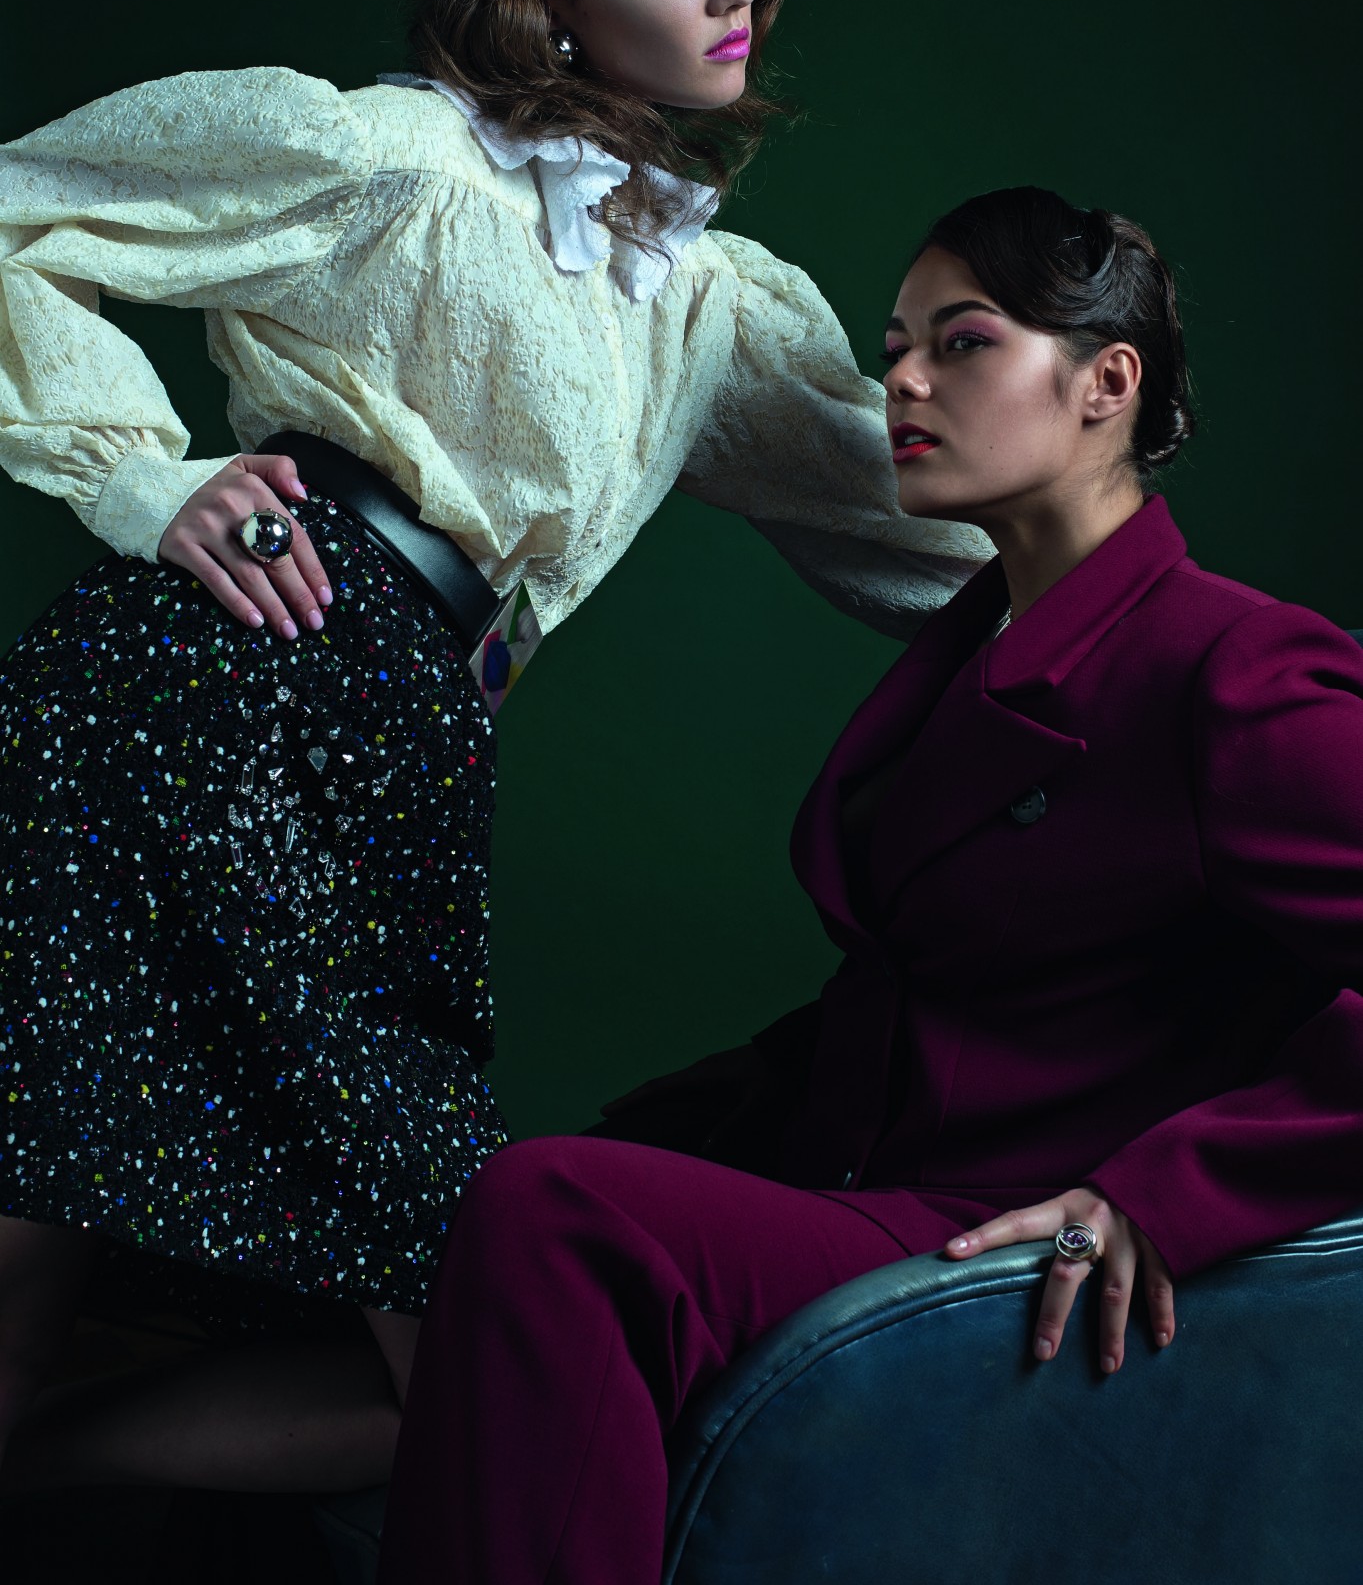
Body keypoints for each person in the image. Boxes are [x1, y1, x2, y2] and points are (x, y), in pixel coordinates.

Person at [0, 0, 989, 1491]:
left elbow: (930, 536)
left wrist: (1202, 658)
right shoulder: (392, 159)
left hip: (390, 752)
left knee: (386, 1330)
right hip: (219, 701)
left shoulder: (702, 299)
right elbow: (19, 211)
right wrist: (144, 480)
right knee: (156, 1237)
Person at [375, 185, 1363, 1585]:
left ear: (1108, 383)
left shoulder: (1233, 668)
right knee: (454, 1220)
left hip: (994, 1228)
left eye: (963, 343)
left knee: (558, 1218)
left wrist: (1164, 1195)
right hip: (858, 1177)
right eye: (895, 346)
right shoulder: (977, 642)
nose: (902, 378)